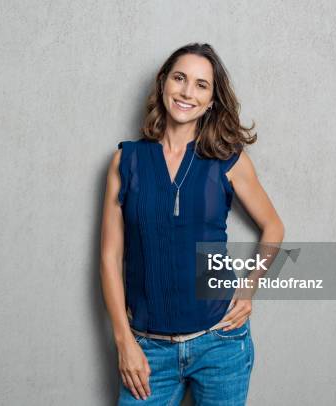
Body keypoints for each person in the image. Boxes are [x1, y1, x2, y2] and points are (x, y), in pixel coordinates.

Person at [100, 43, 285, 405]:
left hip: (220, 344)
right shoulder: (127, 160)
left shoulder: (228, 160)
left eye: (201, 85)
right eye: (180, 78)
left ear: (212, 99)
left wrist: (248, 291)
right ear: (163, 82)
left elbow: (274, 227)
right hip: (148, 349)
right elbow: (109, 257)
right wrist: (124, 342)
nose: (187, 92)